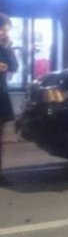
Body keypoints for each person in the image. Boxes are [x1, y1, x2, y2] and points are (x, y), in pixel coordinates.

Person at [0, 14, 18, 183]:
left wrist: (6, 48)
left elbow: (14, 66)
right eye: (2, 29)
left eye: (6, 30)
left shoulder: (5, 48)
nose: (4, 33)